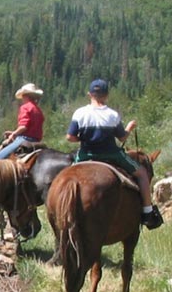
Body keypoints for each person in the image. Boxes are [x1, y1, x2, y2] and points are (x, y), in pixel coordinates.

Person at [65, 78, 163, 229]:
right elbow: (122, 137)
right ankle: (148, 213)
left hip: (86, 154)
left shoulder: (80, 113)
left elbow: (70, 137)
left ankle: (63, 211)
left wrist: (83, 138)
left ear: (89, 94)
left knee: (66, 178)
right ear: (106, 96)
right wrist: (129, 127)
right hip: (111, 154)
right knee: (142, 173)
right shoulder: (112, 114)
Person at [0, 82, 45, 160]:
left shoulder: (25, 107)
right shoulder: (38, 110)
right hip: (37, 140)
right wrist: (13, 132)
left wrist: (14, 134)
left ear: (26, 96)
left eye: (23, 96)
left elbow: (24, 126)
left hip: (24, 139)